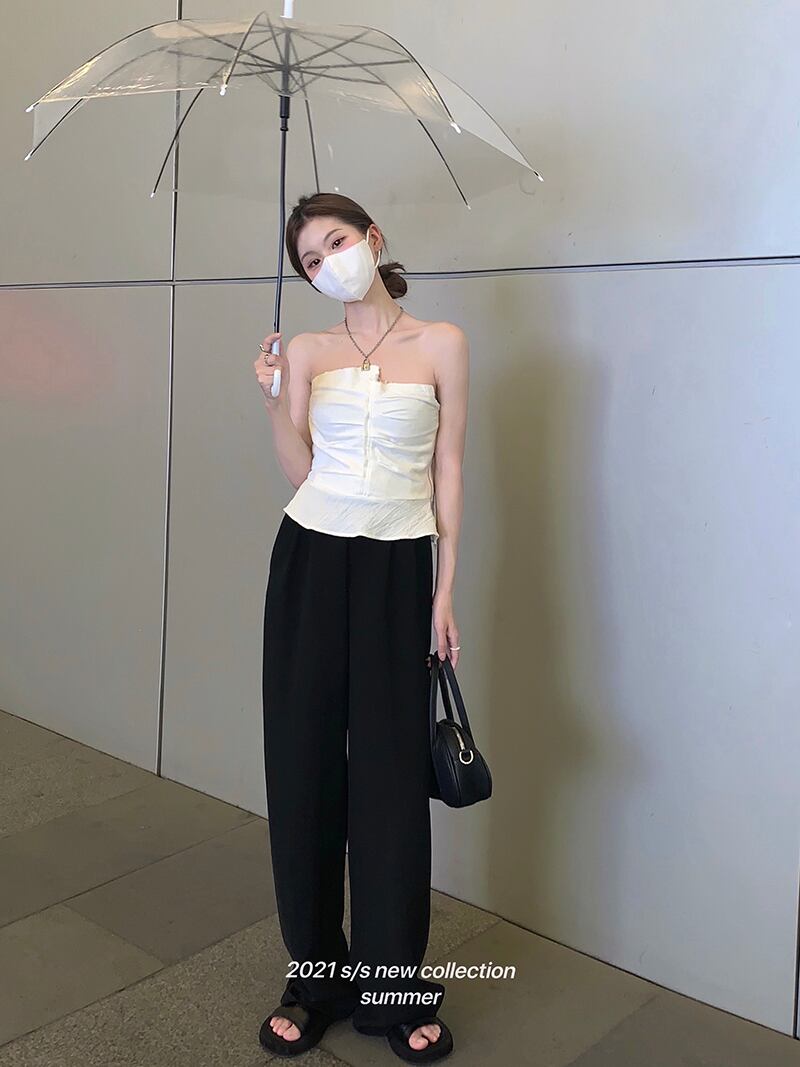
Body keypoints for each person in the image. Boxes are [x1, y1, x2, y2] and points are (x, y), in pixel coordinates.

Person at [253, 192, 468, 1062]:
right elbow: (301, 470)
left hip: (398, 569)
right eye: (310, 260)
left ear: (373, 237)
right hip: (311, 560)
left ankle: (392, 987)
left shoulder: (443, 342)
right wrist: (275, 399)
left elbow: (449, 467)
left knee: (388, 778)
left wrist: (444, 591)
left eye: (335, 242)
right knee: (302, 765)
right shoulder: (307, 350)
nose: (327, 263)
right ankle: (316, 979)